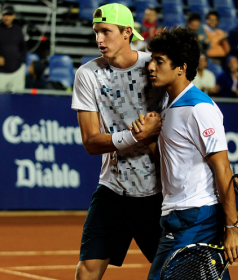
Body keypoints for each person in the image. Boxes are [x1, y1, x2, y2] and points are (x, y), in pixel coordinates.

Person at [130, 27, 238, 280]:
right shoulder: (169, 108)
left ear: (181, 67)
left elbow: (223, 168)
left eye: (159, 62)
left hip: (196, 217)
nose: (151, 67)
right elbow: (169, 163)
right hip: (176, 215)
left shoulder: (199, 108)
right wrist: (147, 139)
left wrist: (232, 227)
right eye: (152, 61)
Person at [71, 3, 165, 280]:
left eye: (105, 31)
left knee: (176, 272)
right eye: (96, 32)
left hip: (158, 193)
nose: (99, 39)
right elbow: (90, 142)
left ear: (127, 33)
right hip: (113, 188)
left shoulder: (155, 67)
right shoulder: (87, 74)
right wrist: (136, 135)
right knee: (87, 271)